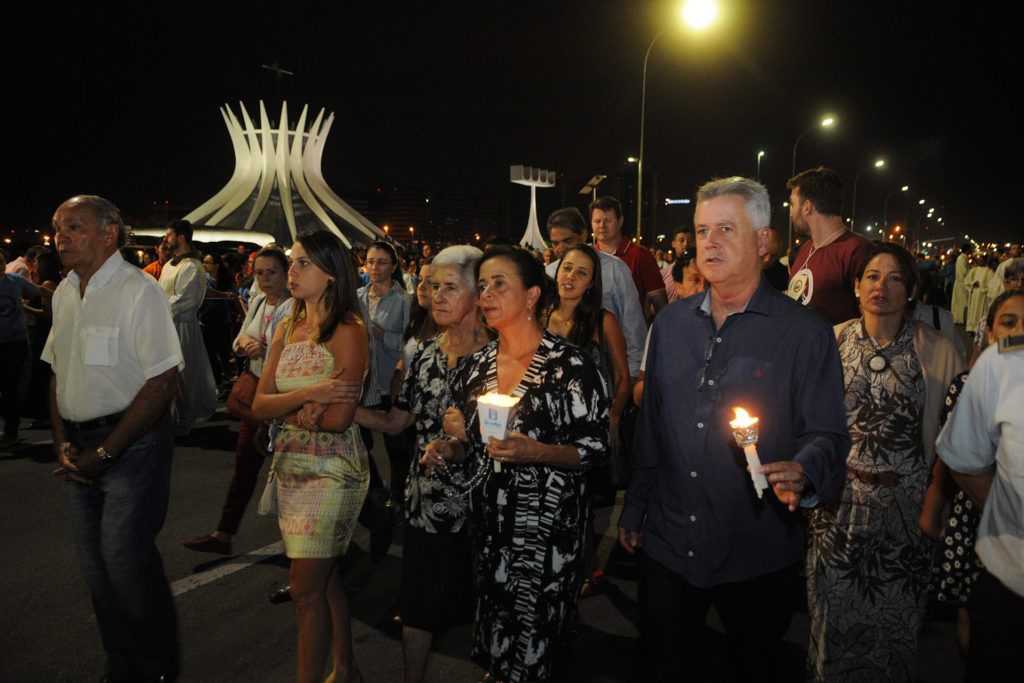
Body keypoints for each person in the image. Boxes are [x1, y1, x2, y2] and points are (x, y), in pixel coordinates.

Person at [618, 177, 849, 682]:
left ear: (763, 241)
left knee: (752, 666)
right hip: (668, 543)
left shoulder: (804, 333)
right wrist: (636, 504)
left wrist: (805, 469)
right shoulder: (672, 325)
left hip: (756, 550)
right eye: (703, 231)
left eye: (726, 228)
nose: (710, 243)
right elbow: (652, 426)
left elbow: (829, 434)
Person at [427, 245, 609, 682]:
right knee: (498, 642)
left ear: (531, 295)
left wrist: (538, 452)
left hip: (546, 535)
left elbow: (596, 448)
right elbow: (471, 445)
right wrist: (447, 449)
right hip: (491, 532)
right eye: (483, 285)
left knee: (535, 651)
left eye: (499, 284)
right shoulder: (474, 368)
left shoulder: (570, 366)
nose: (486, 294)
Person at [805, 242, 965, 681]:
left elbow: (956, 434)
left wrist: (938, 499)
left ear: (912, 289)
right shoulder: (831, 340)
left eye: (895, 278)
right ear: (856, 285)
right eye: (873, 276)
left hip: (905, 510)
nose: (882, 286)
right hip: (840, 505)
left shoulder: (939, 349)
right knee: (830, 618)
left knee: (894, 626)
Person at [44, 195, 183, 681]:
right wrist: (62, 442)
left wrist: (107, 451)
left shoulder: (137, 290)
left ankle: (158, 669)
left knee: (126, 563)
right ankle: (121, 667)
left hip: (131, 445)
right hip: (81, 451)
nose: (61, 236)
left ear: (108, 234)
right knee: (98, 574)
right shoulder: (65, 291)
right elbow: (58, 372)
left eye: (74, 227)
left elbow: (164, 381)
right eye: (58, 228)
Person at [353, 245, 488, 683]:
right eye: (433, 286)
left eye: (451, 287)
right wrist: (343, 408)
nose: (437, 295)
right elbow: (397, 421)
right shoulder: (426, 354)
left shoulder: (503, 358)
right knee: (417, 599)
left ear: (477, 293)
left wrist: (463, 442)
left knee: (489, 599)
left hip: (485, 506)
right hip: (426, 500)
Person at [252, 229, 370, 683]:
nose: (292, 271)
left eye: (303, 264)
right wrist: (313, 394)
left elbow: (340, 419)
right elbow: (259, 405)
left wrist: (295, 407)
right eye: (293, 261)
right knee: (324, 577)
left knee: (303, 589)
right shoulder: (285, 326)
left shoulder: (347, 330)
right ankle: (346, 668)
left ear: (332, 275)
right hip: (290, 465)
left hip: (332, 469)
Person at [923, 289, 1024, 661]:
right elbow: (954, 458)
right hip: (979, 523)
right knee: (979, 620)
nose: (1019, 333)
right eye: (1009, 323)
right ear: (992, 334)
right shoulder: (975, 383)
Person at [183, 246, 294, 555]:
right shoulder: (258, 301)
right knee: (244, 466)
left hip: (283, 398)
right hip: (255, 392)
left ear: (286, 272)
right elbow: (239, 337)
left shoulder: (295, 307)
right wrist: (245, 344)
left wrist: (265, 349)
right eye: (259, 273)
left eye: (272, 272)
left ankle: (306, 545)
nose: (266, 278)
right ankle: (224, 533)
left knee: (290, 473)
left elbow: (294, 352)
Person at [545, 206, 646, 379]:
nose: (560, 248)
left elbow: (633, 327)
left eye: (567, 241)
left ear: (584, 234)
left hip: (606, 376)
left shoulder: (615, 268)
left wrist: (630, 379)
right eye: (555, 243)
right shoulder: (549, 273)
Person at [357, 240, 412, 504]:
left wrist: (384, 336)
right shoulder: (356, 298)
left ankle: (400, 498)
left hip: (390, 382)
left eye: (381, 262)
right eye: (370, 261)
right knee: (358, 444)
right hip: (363, 384)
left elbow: (411, 345)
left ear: (393, 266)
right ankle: (374, 490)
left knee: (396, 447)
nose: (374, 267)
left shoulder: (404, 301)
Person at [787, 167, 873, 324]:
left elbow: (872, 320)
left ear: (807, 207)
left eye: (792, 204)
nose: (791, 213)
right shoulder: (805, 250)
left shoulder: (858, 251)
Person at [160, 219, 218, 435]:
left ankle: (184, 419)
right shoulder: (168, 265)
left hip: (183, 326)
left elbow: (184, 301)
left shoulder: (193, 267)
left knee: (184, 373)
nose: (166, 239)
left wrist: (158, 307)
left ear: (181, 237)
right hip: (166, 326)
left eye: (169, 234)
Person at [590, 196, 668, 319]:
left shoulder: (640, 255)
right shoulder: (589, 257)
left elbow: (660, 305)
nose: (602, 226)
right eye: (597, 221)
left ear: (620, 221)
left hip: (632, 335)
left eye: (608, 220)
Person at [0, 246, 41, 447]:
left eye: (0, 261)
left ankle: (11, 432)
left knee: (12, 388)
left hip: (15, 342)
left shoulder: (15, 281)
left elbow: (38, 291)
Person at [661, 226, 694, 302]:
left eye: (689, 241)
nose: (686, 244)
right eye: (681, 240)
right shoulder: (663, 274)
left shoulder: (702, 273)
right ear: (673, 244)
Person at [951, 242, 974, 325]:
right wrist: (973, 271)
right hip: (961, 284)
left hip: (963, 283)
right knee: (961, 302)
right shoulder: (961, 258)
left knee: (963, 302)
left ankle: (962, 318)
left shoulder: (965, 258)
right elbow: (964, 272)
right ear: (968, 250)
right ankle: (959, 319)